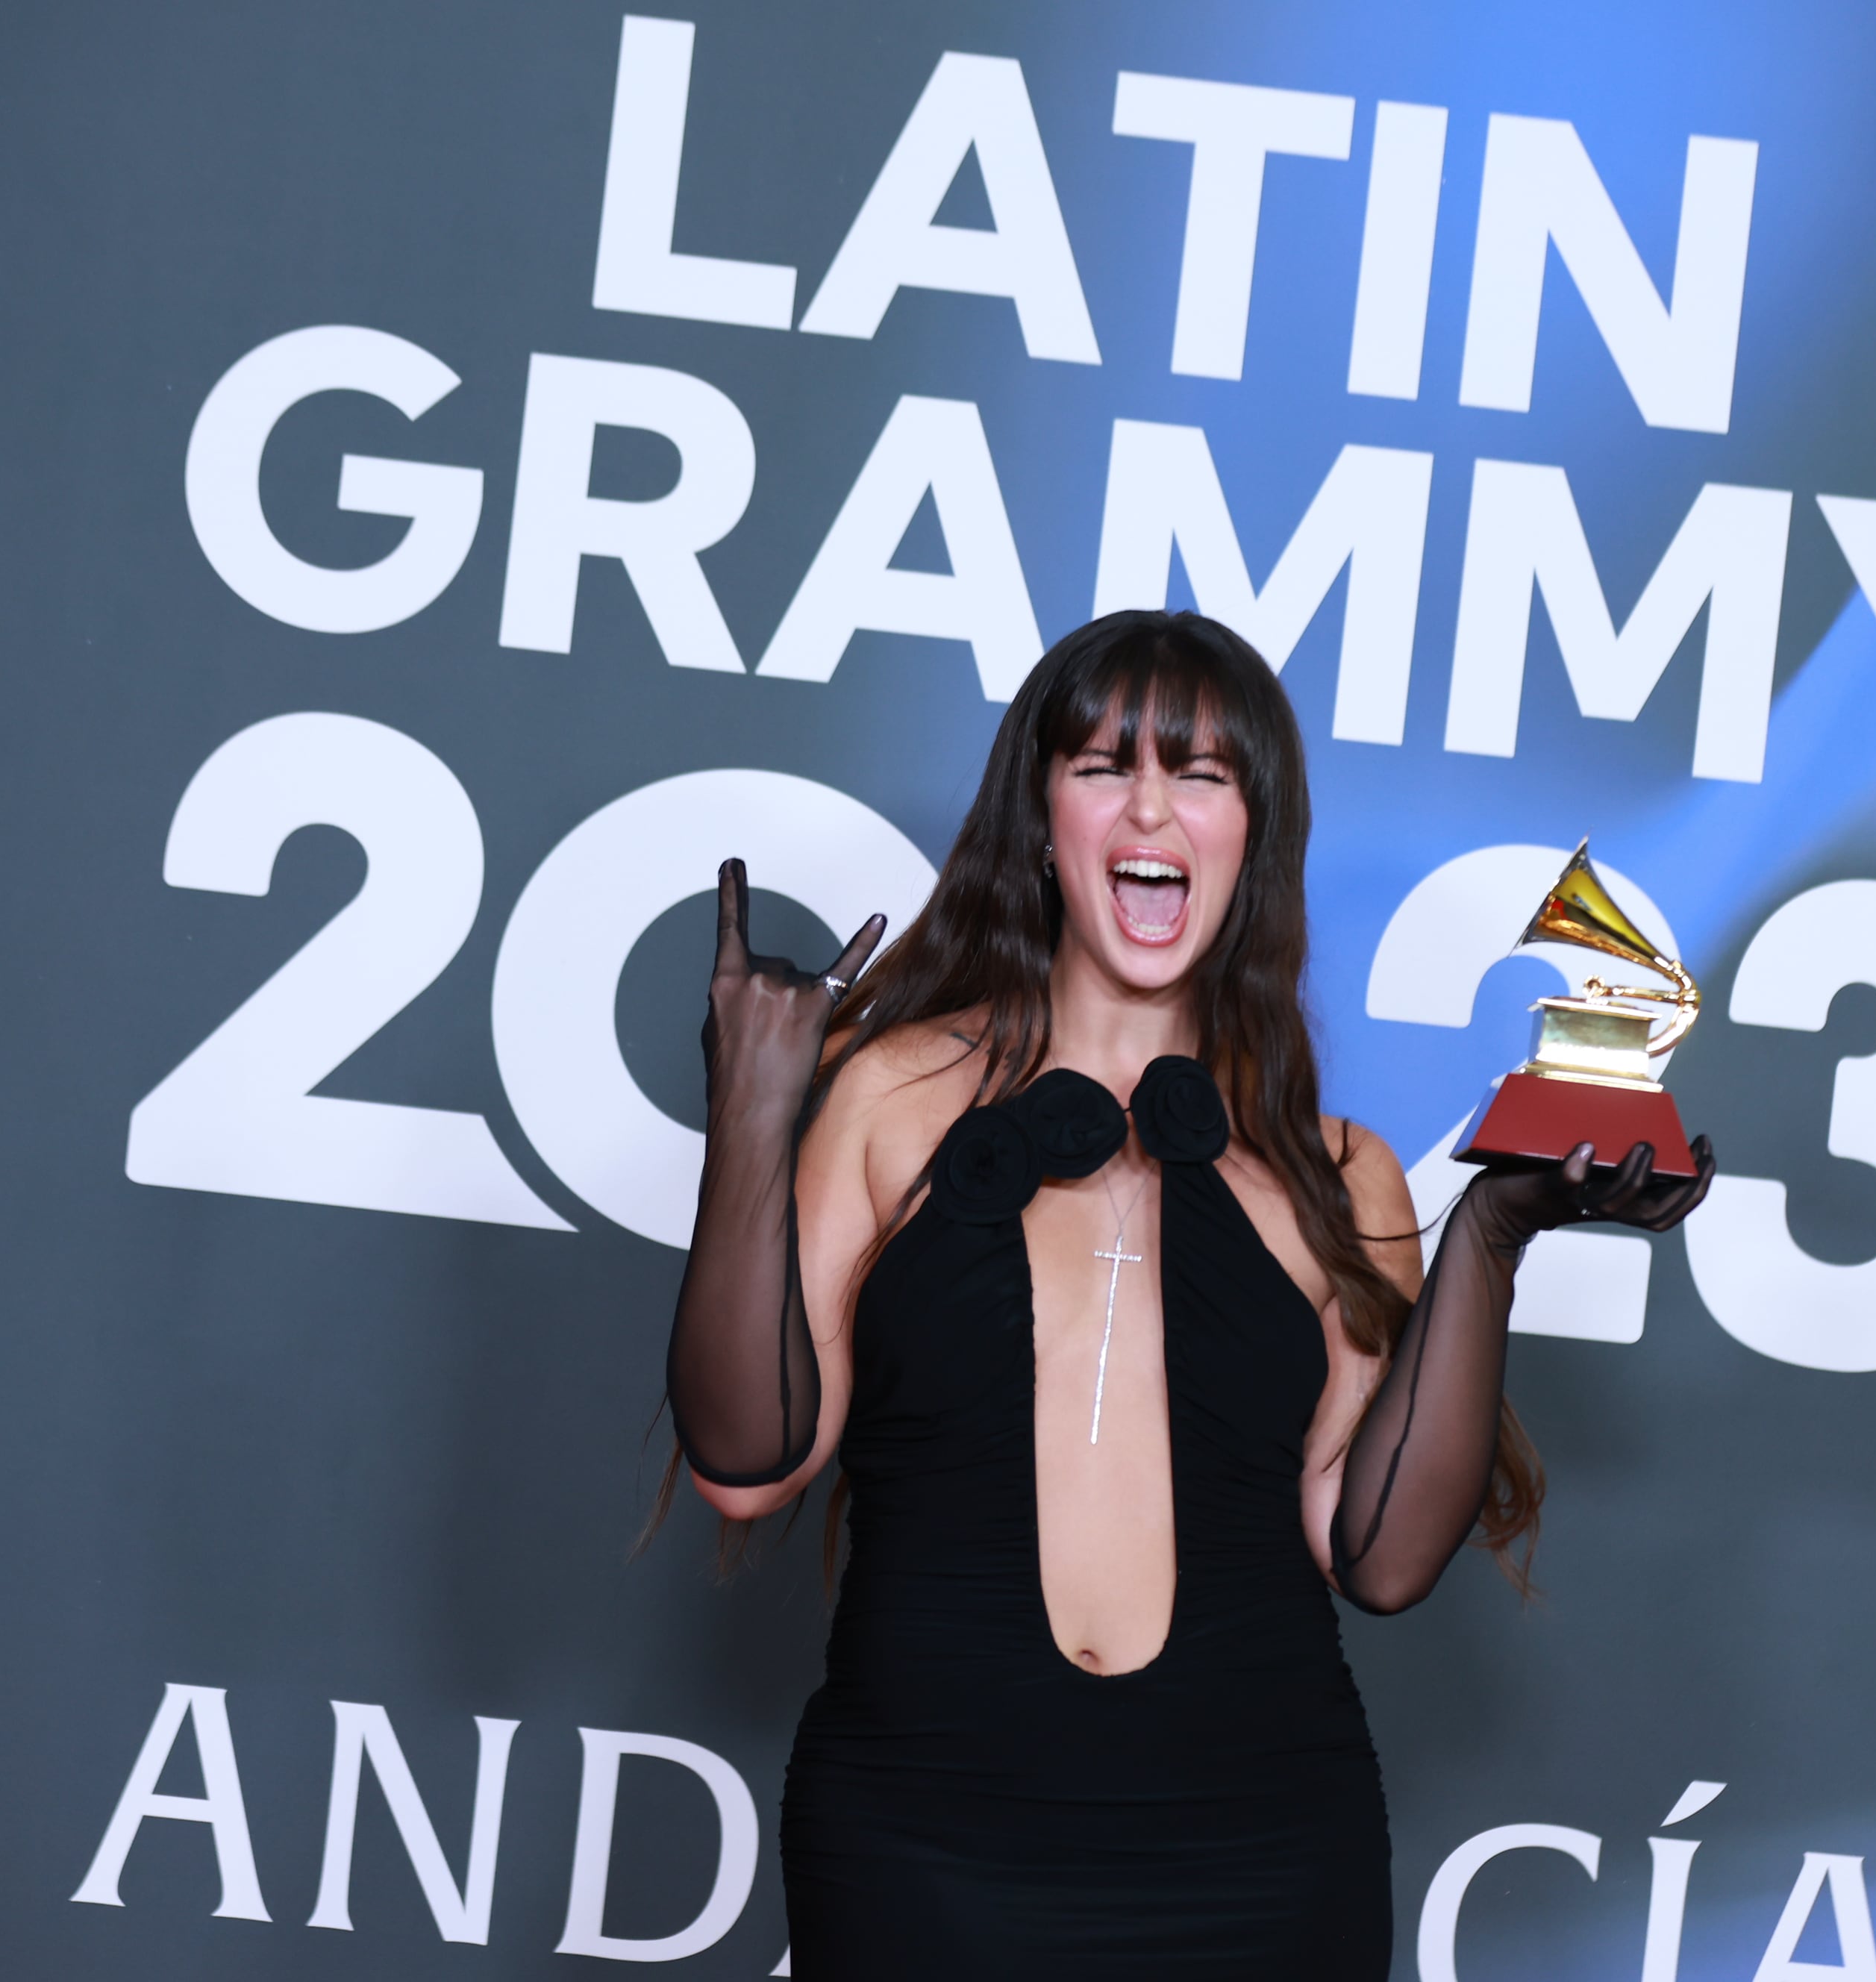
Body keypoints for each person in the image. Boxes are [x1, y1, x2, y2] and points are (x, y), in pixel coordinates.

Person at [667, 610, 1714, 1979]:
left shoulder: (1344, 1178)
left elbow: (1381, 1560)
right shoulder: (893, 1095)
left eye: (1204, 775)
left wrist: (1491, 1242)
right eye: (1105, 765)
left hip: (1263, 1861)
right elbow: (747, 1466)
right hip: (922, 1848)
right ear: (1043, 819)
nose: (1152, 802)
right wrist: (752, 1118)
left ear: (1249, 843)